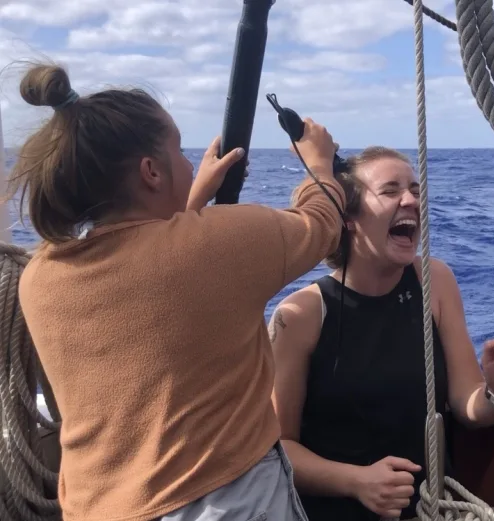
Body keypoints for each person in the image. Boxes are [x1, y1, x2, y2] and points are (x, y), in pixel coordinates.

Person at [9, 63, 347, 521]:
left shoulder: (41, 277)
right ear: (151, 171)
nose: (192, 164)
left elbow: (148, 271)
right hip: (225, 503)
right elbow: (322, 223)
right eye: (180, 152)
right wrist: (319, 161)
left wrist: (187, 198)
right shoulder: (219, 244)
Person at [269, 146, 494, 521]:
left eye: (415, 189)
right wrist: (357, 481)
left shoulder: (435, 282)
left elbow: (470, 406)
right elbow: (280, 448)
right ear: (348, 216)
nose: (412, 199)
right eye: (391, 190)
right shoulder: (300, 316)